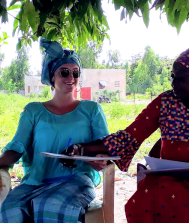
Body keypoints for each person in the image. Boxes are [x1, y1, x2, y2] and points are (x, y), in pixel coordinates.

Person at [62, 47, 189, 223]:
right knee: (149, 193)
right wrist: (81, 148)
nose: (174, 83)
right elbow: (129, 136)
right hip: (169, 182)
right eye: (173, 77)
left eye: (182, 78)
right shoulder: (166, 102)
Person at [0, 38, 109, 223]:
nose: (71, 78)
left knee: (50, 205)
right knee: (9, 209)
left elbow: (104, 145)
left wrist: (97, 159)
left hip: (76, 180)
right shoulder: (33, 111)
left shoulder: (91, 109)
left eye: (75, 73)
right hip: (36, 181)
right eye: (64, 72)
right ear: (52, 76)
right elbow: (17, 146)